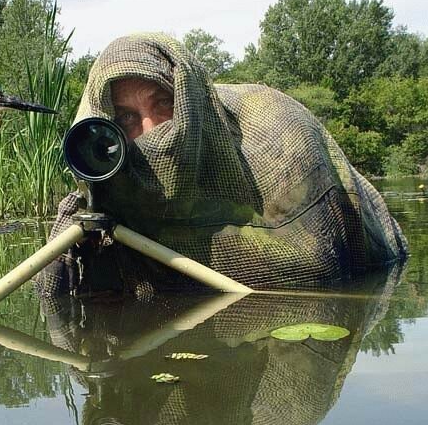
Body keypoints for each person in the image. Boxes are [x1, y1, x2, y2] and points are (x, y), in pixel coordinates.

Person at [37, 33, 407, 296]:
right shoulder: (111, 182)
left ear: (190, 102)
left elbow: (318, 265)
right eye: (127, 118)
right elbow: (55, 300)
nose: (151, 132)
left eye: (163, 105)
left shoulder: (278, 140)